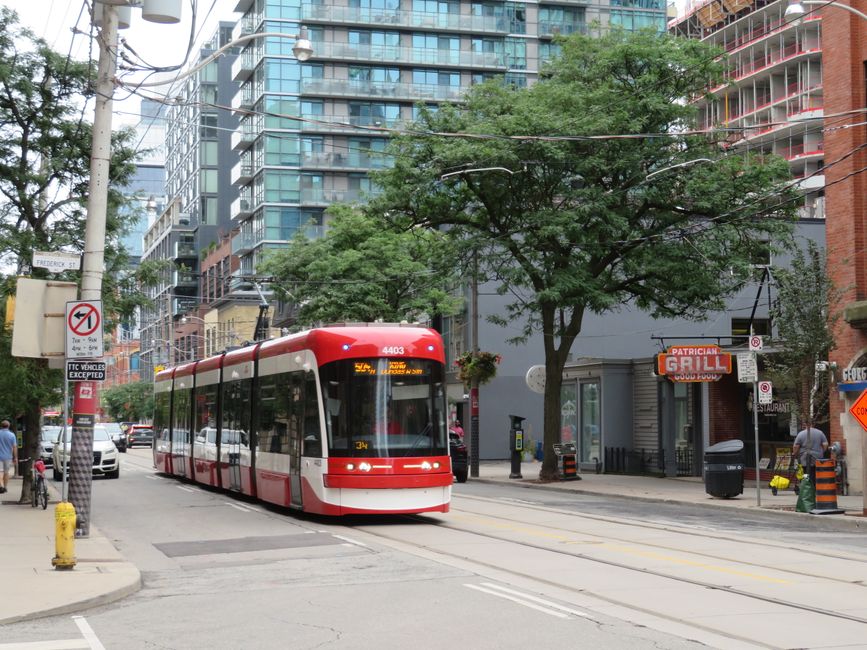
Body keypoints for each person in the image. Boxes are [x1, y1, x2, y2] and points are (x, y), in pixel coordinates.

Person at [792, 421, 828, 486]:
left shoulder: (801, 434)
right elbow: (825, 444)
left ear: (806, 424)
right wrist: (822, 451)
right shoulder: (820, 433)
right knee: (815, 471)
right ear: (813, 424)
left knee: (806, 472)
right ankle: (815, 486)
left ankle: (807, 485)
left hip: (804, 457)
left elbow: (796, 446)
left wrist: (795, 453)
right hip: (817, 457)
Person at [0, 419, 18, 494]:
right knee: (6, 472)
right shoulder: (12, 435)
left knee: (0, 472)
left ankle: (0, 485)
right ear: (8, 426)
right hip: (8, 457)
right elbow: (14, 447)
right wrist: (15, 457)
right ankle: (5, 486)